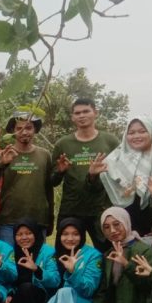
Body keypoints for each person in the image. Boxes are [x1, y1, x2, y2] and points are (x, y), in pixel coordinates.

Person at [80, 206, 152, 303]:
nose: (112, 231)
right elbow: (103, 288)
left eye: (116, 224)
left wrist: (127, 265)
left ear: (126, 223)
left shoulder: (143, 250)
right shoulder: (109, 253)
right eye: (106, 227)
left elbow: (148, 286)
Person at [50, 98, 119, 250]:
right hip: (72, 208)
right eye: (77, 113)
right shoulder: (63, 144)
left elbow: (120, 175)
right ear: (72, 117)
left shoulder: (110, 141)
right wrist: (60, 172)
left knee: (108, 251)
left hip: (101, 208)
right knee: (65, 252)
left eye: (86, 111)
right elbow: (52, 181)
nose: (81, 116)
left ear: (95, 112)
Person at [89, 115, 152, 234]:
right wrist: (92, 176)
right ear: (126, 135)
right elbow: (97, 193)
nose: (136, 136)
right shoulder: (115, 158)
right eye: (131, 132)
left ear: (151, 132)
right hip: (123, 226)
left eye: (142, 131)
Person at [0, 109, 54, 243]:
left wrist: (50, 218)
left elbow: (49, 188)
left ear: (35, 130)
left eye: (29, 128)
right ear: (13, 131)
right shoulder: (4, 154)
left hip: (38, 219)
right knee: (8, 262)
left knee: (36, 262)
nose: (24, 132)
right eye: (19, 128)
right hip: (9, 220)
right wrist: (3, 163)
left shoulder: (44, 155)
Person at [38, 218, 102, 303]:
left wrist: (74, 272)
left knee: (65, 292)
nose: (70, 238)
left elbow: (89, 290)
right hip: (58, 302)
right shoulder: (57, 253)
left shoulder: (93, 255)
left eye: (75, 234)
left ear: (82, 235)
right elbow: (54, 281)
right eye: (65, 234)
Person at [1, 218, 60, 303]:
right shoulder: (12, 252)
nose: (24, 238)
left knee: (26, 288)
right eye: (19, 234)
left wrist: (37, 269)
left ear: (36, 234)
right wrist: (8, 293)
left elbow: (55, 281)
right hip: (18, 294)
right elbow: (8, 279)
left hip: (41, 294)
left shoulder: (48, 252)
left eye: (28, 233)